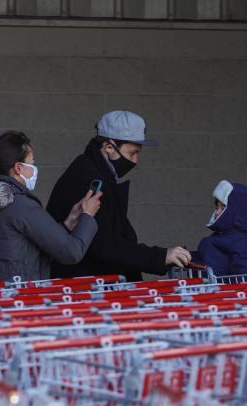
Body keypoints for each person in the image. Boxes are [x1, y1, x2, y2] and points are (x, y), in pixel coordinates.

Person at [46, 111, 191, 282]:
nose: (135, 160)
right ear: (109, 147)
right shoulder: (90, 179)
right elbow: (104, 245)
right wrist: (161, 256)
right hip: (86, 286)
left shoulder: (96, 172)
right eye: (132, 153)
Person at [0, 130, 102, 282]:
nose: (34, 169)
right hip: (18, 293)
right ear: (18, 168)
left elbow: (28, 252)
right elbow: (71, 252)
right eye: (32, 163)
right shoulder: (20, 205)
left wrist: (69, 222)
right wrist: (88, 215)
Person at [192, 180, 247, 276]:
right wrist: (188, 257)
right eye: (217, 208)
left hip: (221, 285)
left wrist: (238, 284)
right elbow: (211, 258)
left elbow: (243, 272)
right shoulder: (225, 234)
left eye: (222, 208)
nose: (216, 212)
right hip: (208, 283)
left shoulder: (245, 241)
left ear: (238, 212)